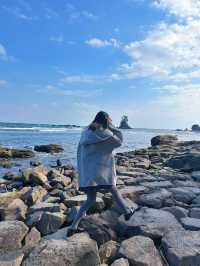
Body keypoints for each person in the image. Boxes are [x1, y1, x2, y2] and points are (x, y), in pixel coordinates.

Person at [66, 111, 135, 237]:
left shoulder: (86, 132)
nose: (111, 120)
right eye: (110, 119)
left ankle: (73, 226)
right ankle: (126, 211)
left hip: (89, 171)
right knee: (112, 187)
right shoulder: (104, 132)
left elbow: (82, 152)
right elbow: (119, 141)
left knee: (90, 199)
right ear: (106, 120)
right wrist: (112, 127)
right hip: (101, 170)